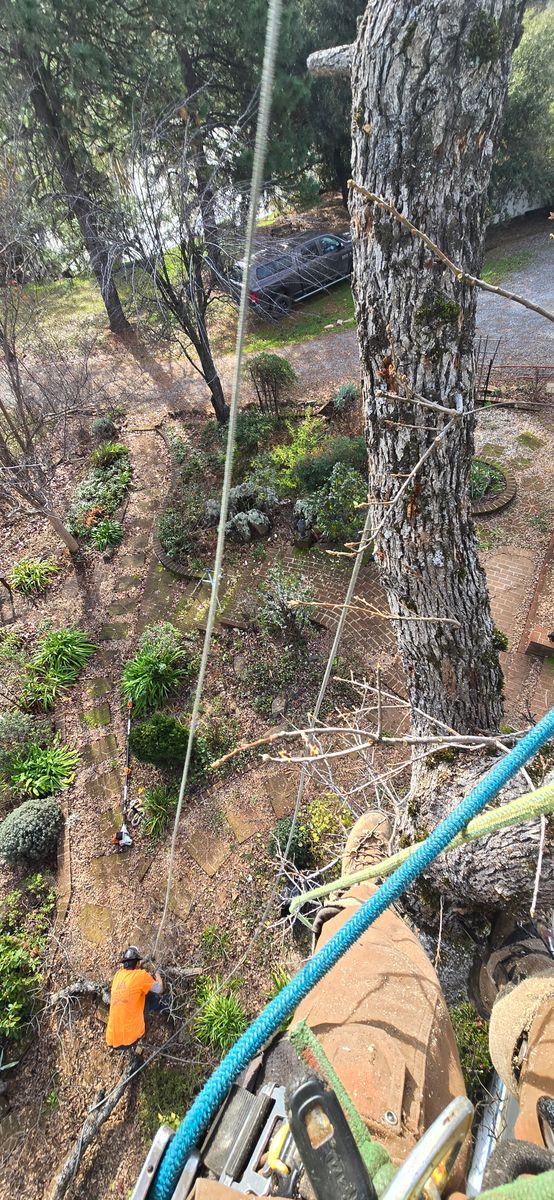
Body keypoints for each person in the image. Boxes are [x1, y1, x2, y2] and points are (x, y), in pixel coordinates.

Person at [182, 812, 554, 1200]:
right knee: (367, 947)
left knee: (356, 953)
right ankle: (515, 975)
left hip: (318, 1169)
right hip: (360, 1167)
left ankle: (365, 894)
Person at [106, 945, 164, 1051]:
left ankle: (135, 1057)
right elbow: (160, 989)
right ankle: (165, 1006)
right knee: (149, 995)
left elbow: (132, 967)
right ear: (137, 963)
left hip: (112, 1040)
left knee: (134, 997)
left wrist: (142, 961)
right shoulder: (140, 976)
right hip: (131, 1037)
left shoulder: (118, 975)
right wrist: (158, 974)